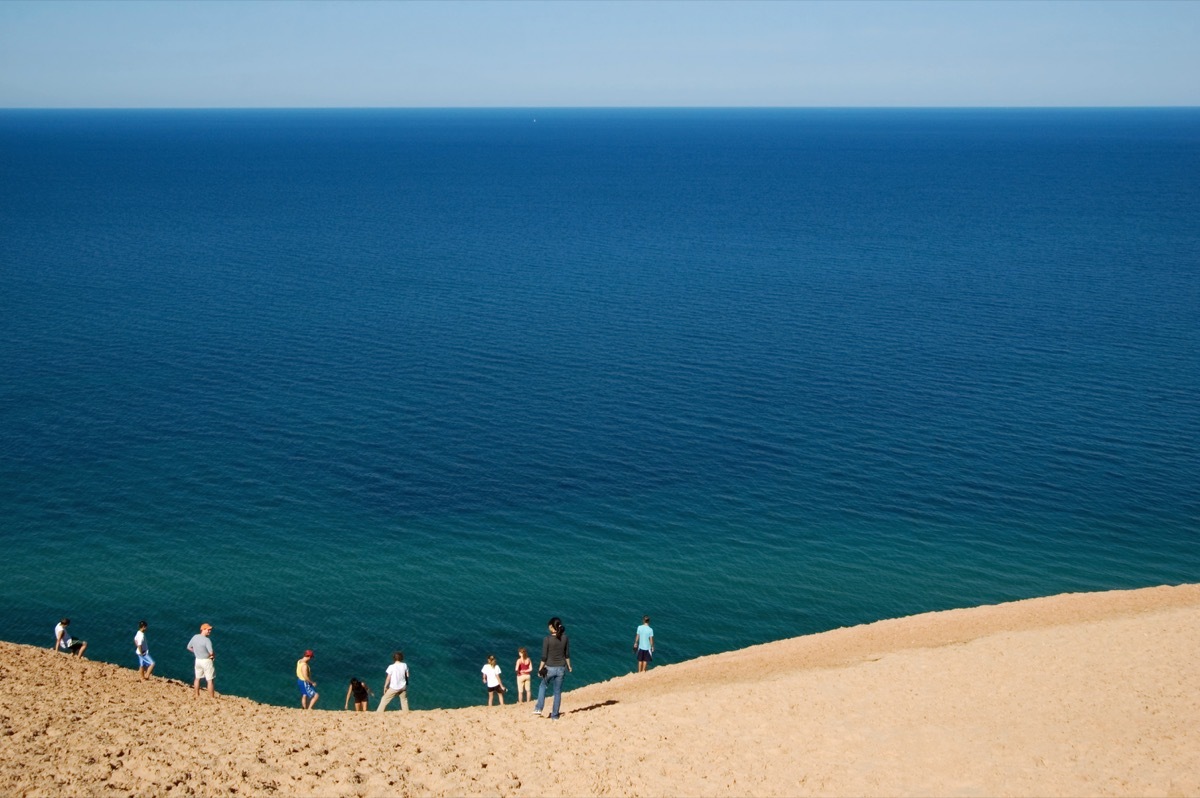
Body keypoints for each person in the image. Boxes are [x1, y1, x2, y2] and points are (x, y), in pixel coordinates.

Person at [533, 617, 572, 720]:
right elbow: (567, 655)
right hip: (561, 669)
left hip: (549, 668)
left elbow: (544, 657)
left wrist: (539, 669)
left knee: (543, 686)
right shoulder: (565, 638)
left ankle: (539, 708)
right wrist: (569, 666)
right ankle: (555, 715)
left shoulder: (547, 639)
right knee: (557, 692)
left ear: (551, 626)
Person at [187, 623, 217, 699]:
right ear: (203, 629)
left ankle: (197, 695)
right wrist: (213, 656)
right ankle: (211, 698)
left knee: (197, 678)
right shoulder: (207, 640)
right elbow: (211, 652)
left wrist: (196, 652)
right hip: (206, 661)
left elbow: (188, 647)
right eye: (208, 629)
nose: (210, 631)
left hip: (198, 660)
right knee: (210, 680)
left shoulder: (195, 637)